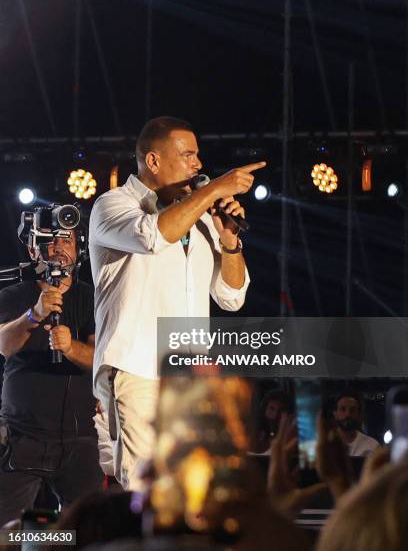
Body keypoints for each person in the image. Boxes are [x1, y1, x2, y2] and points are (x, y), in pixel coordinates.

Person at [89, 115, 265, 491]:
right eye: (187, 155)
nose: (197, 165)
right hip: (138, 371)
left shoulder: (200, 219)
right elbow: (153, 236)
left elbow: (231, 297)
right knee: (147, 487)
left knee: (192, 488)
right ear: (153, 161)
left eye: (198, 156)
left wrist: (230, 240)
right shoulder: (113, 205)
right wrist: (213, 190)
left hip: (191, 379)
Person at [0, 224, 103, 527]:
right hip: (21, 435)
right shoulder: (13, 294)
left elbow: (101, 359)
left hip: (81, 439)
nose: (58, 247)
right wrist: (34, 314)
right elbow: (3, 346)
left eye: (66, 239)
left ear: (78, 247)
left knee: (86, 532)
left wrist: (71, 347)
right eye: (49, 241)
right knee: (6, 533)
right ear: (33, 250)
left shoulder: (94, 297)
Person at [333, 391, 380, 457]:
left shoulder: (372, 446)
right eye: (342, 409)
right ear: (335, 414)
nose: (347, 414)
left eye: (352, 410)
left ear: (359, 414)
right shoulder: (325, 445)